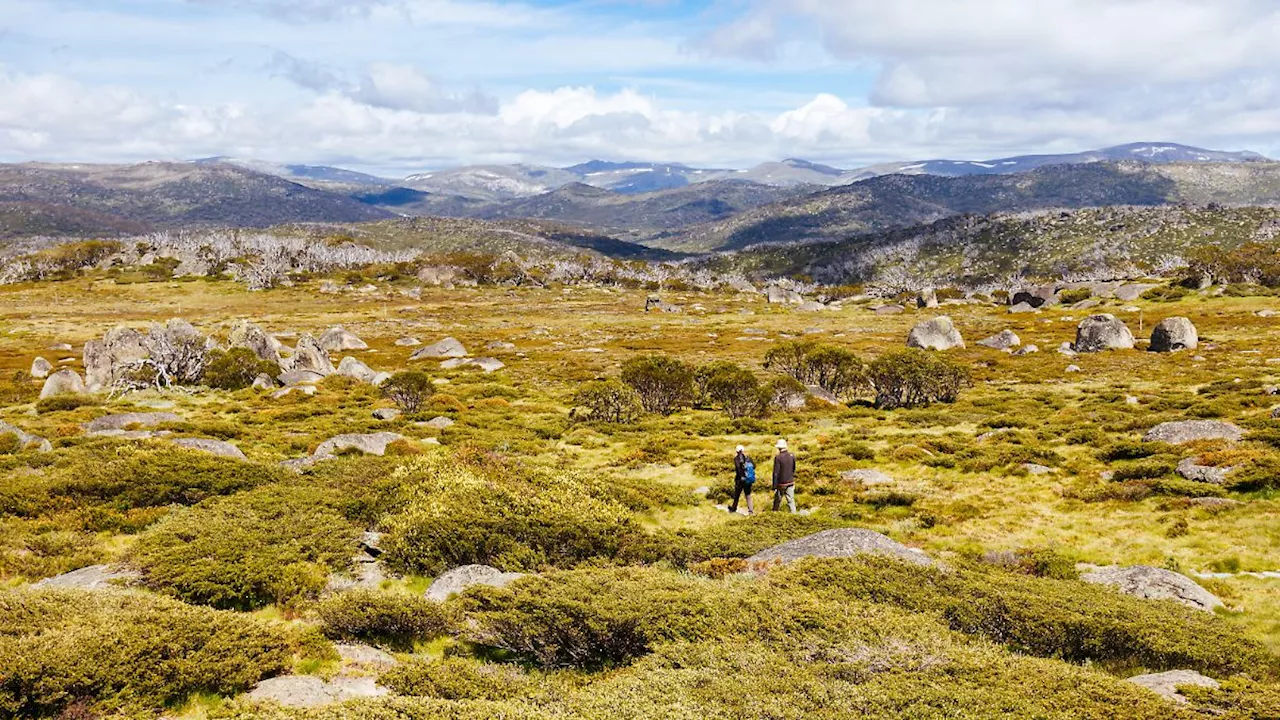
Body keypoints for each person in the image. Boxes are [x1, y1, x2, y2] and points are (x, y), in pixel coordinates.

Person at [728, 445, 755, 515]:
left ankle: (733, 509)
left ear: (736, 451)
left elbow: (738, 470)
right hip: (748, 480)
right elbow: (754, 466)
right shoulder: (748, 458)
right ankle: (751, 511)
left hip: (739, 480)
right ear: (743, 450)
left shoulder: (736, 459)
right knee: (748, 495)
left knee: (737, 495)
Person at [772, 439, 796, 513]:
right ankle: (794, 515)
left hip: (781, 483)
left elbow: (776, 473)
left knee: (777, 500)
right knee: (791, 500)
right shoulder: (792, 456)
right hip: (790, 481)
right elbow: (793, 468)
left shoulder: (778, 458)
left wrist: (774, 486)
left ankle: (774, 514)